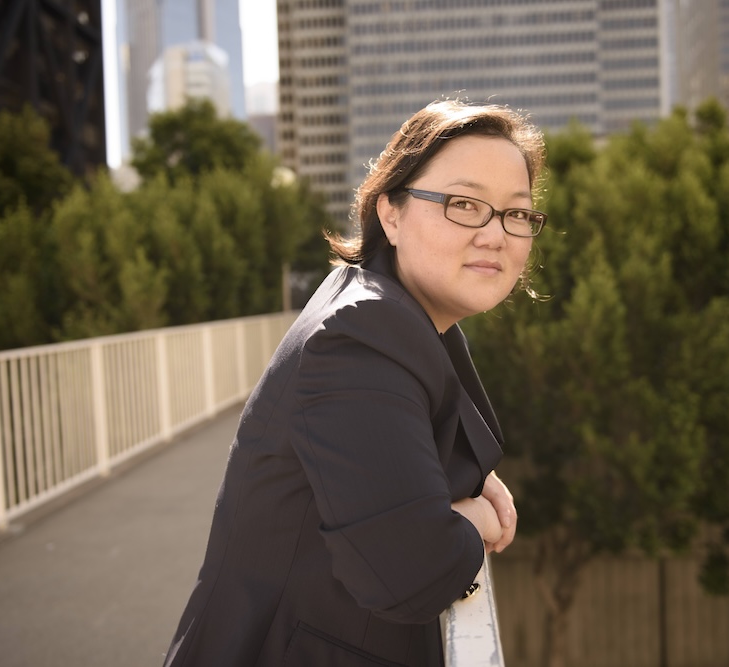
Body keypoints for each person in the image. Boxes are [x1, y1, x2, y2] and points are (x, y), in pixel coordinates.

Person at [162, 99, 547, 667]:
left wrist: (469, 478)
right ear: (390, 213)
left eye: (516, 214)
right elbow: (412, 573)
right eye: (464, 204)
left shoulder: (393, 310)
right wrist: (475, 519)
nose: (496, 234)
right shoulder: (362, 336)